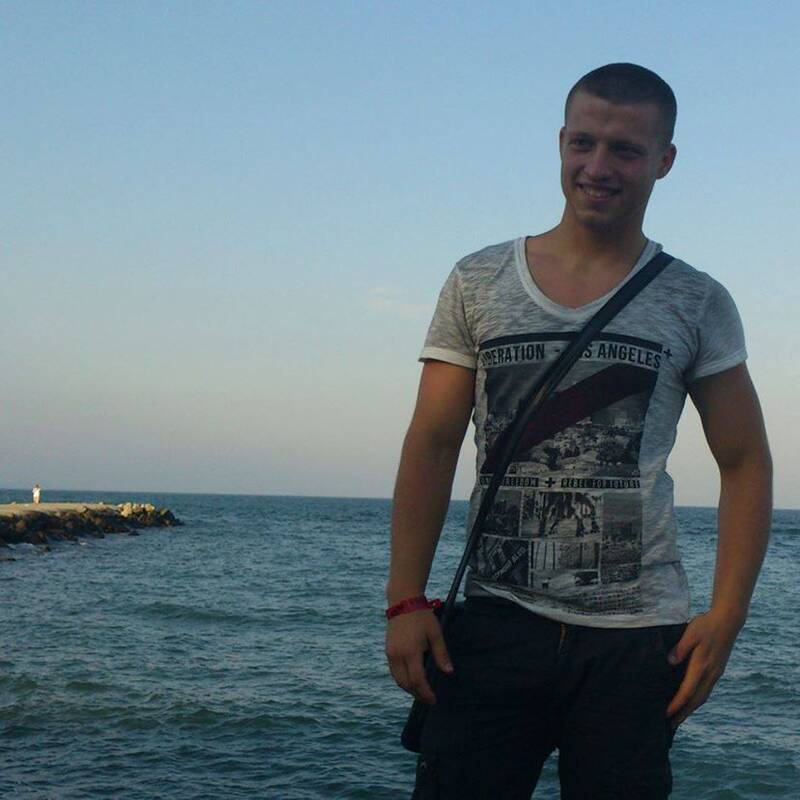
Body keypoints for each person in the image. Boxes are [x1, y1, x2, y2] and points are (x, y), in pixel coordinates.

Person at [385, 63, 772, 799]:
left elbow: (746, 459)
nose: (598, 167)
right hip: (494, 625)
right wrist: (406, 599)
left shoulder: (696, 300)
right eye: (583, 143)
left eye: (625, 149)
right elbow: (432, 443)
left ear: (664, 160)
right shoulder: (478, 280)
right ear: (560, 142)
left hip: (636, 644)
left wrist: (727, 615)